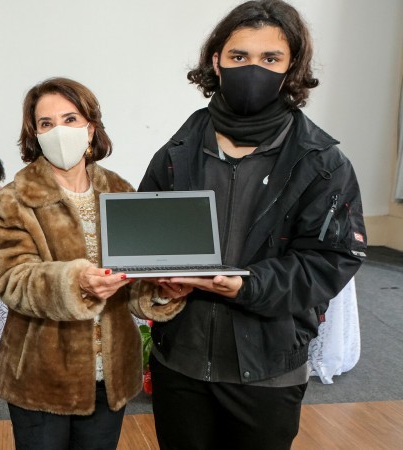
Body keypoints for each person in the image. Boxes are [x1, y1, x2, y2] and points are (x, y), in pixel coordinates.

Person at [138, 1, 367, 448]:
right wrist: (159, 283)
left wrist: (247, 284)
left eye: (270, 59)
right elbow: (148, 242)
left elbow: (332, 260)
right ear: (216, 61)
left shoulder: (322, 162)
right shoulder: (177, 151)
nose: (253, 69)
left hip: (268, 368)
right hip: (180, 363)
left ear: (291, 69)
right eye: (240, 56)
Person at [0, 77, 190, 450]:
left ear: (91, 129)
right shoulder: (12, 200)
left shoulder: (120, 191)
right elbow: (11, 280)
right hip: (41, 377)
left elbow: (136, 280)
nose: (58, 131)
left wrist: (160, 292)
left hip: (110, 375)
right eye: (46, 124)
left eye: (70, 119)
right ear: (34, 132)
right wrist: (75, 281)